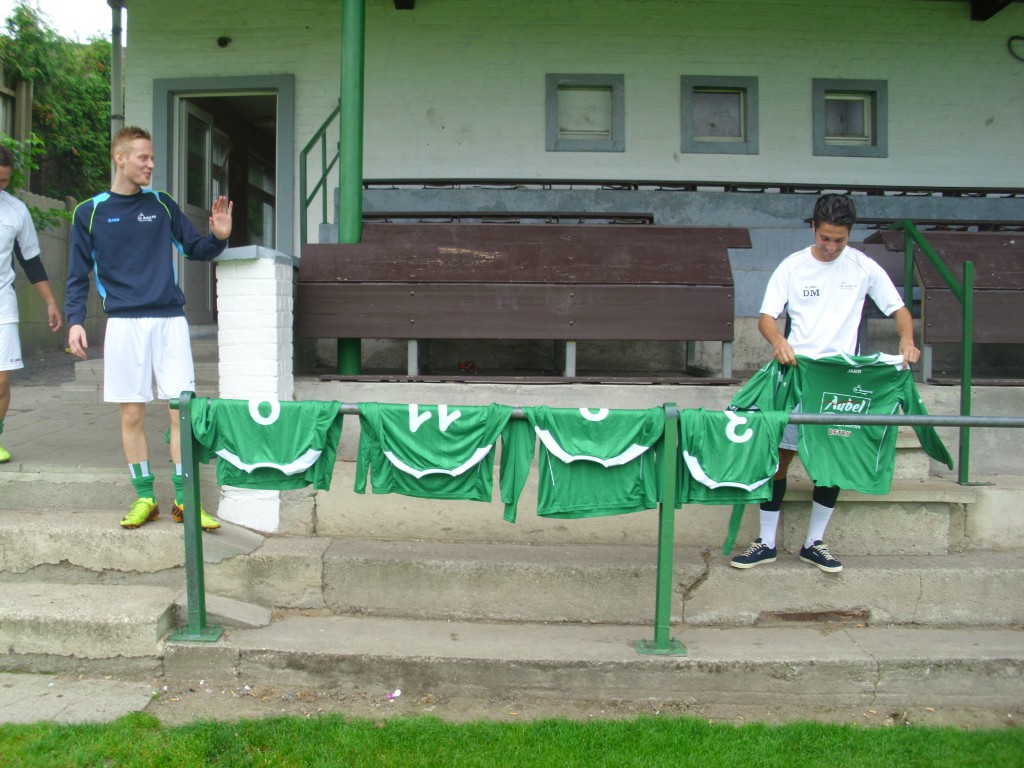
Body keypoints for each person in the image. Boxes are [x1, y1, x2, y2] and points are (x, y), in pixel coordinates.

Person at [731, 193, 919, 573]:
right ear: (814, 228)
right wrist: (778, 341)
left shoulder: (862, 267)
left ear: (850, 234)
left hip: (841, 380)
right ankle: (766, 542)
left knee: (833, 460)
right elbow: (766, 317)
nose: (832, 246)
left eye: (840, 240)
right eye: (825, 238)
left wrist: (907, 340)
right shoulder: (793, 266)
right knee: (778, 456)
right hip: (798, 374)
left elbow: (899, 309)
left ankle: (814, 543)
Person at [65, 126, 232, 530]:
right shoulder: (89, 212)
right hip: (123, 324)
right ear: (120, 158)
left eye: (152, 158)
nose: (151, 164)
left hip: (169, 321)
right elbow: (77, 275)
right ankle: (145, 498)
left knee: (182, 411)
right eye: (144, 157)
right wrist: (74, 321)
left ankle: (184, 500)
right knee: (131, 414)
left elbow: (195, 249)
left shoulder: (161, 204)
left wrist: (218, 237)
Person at [0, 145, 63, 463]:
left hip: (2, 305)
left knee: (1, 381)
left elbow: (31, 262)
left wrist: (50, 302)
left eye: (3, 180)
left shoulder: (16, 211)